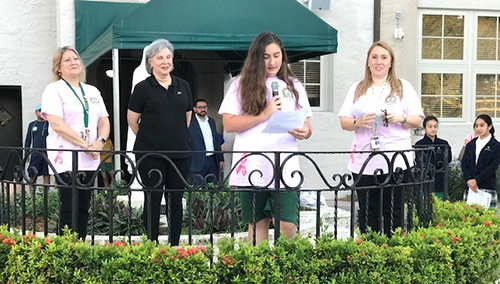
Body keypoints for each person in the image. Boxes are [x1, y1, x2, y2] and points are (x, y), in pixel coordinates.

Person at [218, 32, 312, 244]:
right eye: (266, 56)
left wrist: (304, 131)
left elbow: (306, 124)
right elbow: (229, 124)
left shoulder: (294, 85)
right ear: (256, 57)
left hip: (285, 164)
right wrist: (263, 115)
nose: (272, 62)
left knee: (288, 223)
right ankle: (259, 270)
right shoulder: (241, 84)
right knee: (258, 223)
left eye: (276, 55)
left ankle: (284, 270)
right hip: (254, 162)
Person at [338, 41, 423, 236]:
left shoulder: (403, 87)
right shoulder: (357, 88)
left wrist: (400, 118)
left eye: (384, 57)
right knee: (369, 212)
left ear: (391, 62)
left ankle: (394, 254)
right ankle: (370, 253)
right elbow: (344, 121)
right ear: (368, 62)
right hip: (364, 160)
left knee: (393, 211)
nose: (379, 62)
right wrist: (357, 122)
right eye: (374, 57)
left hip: (397, 160)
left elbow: (417, 119)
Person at [127, 39, 192, 244]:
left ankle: (174, 245)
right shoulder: (142, 88)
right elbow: (132, 120)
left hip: (180, 153)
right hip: (150, 154)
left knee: (176, 200)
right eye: (160, 58)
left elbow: (187, 117)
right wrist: (151, 137)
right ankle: (152, 244)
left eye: (168, 57)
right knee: (153, 198)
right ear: (150, 62)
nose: (165, 62)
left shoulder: (183, 86)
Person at [41, 46, 110, 239]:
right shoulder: (54, 90)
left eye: (76, 59)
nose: (73, 63)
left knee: (83, 205)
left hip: (90, 155)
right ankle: (67, 248)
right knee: (69, 205)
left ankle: (80, 245)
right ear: (58, 68)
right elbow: (57, 123)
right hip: (67, 155)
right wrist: (84, 144)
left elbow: (104, 120)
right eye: (67, 60)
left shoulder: (92, 90)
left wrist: (100, 141)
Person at [461, 114, 500, 209]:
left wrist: (476, 180)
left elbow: (492, 167)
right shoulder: (471, 144)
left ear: (489, 126)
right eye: (476, 126)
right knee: (468, 219)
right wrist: (470, 180)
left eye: (482, 125)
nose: (478, 128)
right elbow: (464, 163)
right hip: (470, 188)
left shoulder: (496, 145)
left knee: (488, 221)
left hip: (487, 187)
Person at [414, 116, 452, 200]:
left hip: (441, 180)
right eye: (430, 126)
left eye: (435, 126)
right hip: (426, 181)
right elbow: (421, 162)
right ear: (424, 128)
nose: (433, 129)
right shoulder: (419, 144)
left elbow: (448, 159)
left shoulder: (443, 143)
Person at [188, 99, 224, 185]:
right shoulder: (190, 123)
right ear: (195, 109)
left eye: (204, 107)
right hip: (197, 162)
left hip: (212, 160)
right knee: (197, 190)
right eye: (200, 107)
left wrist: (221, 159)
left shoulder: (211, 121)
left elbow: (216, 141)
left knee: (213, 189)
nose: (203, 109)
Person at [24, 104, 50, 185]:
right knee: (32, 175)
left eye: (43, 111)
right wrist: (26, 153)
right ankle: (32, 197)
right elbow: (28, 140)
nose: (41, 113)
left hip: (47, 154)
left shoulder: (49, 124)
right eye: (39, 111)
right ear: (36, 112)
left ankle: (46, 195)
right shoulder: (32, 125)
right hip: (35, 154)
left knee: (46, 175)